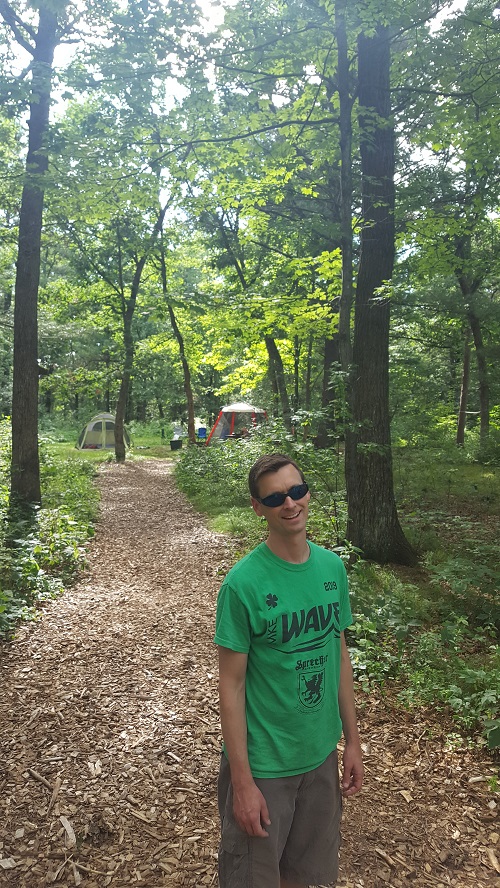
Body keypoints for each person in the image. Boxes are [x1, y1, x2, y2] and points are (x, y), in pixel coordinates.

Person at [214, 453, 364, 888]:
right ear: (258, 507)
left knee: (307, 877)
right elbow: (231, 684)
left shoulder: (331, 569)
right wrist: (242, 783)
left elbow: (338, 657)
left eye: (297, 491)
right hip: (265, 767)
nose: (291, 503)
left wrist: (351, 741)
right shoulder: (243, 584)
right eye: (276, 496)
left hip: (319, 758)